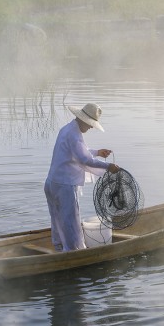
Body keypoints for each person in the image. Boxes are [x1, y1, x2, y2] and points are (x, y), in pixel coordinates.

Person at [45, 103, 119, 252]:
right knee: (71, 222)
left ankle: (59, 249)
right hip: (65, 186)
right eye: (91, 124)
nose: (91, 127)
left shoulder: (67, 129)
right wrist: (108, 166)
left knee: (58, 220)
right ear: (84, 120)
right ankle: (74, 253)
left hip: (52, 183)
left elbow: (80, 152)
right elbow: (85, 159)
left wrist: (97, 152)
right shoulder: (74, 135)